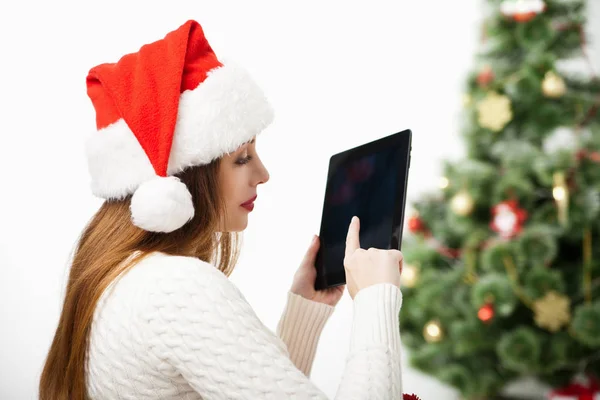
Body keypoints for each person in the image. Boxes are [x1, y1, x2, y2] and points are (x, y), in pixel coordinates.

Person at [38, 19, 408, 400]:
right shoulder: (175, 288)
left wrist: (304, 315)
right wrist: (376, 299)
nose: (263, 174)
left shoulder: (128, 275)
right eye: (242, 158)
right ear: (184, 177)